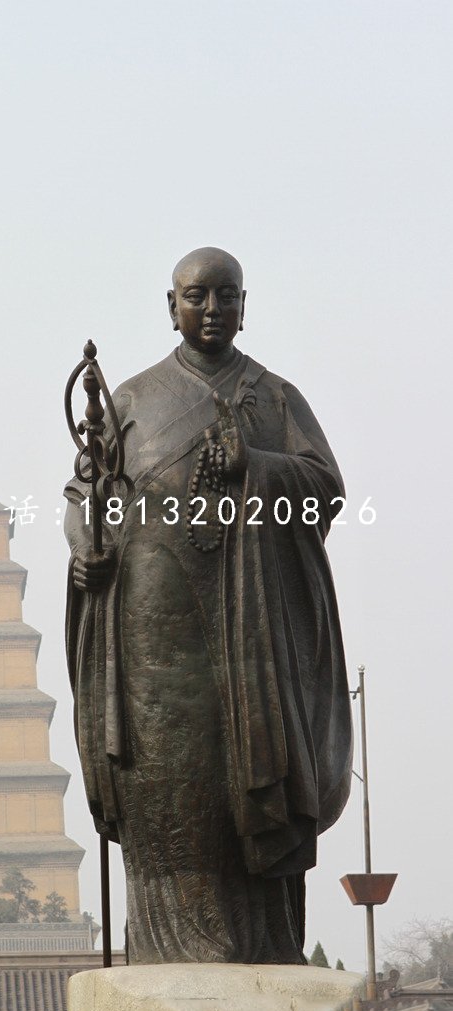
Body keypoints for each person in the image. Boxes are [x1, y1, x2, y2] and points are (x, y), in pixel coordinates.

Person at [64, 247, 352, 965]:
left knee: (252, 759)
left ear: (244, 306)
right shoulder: (131, 399)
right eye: (196, 296)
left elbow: (324, 485)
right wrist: (86, 547)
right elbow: (85, 494)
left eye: (227, 296)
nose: (213, 309)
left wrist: (257, 464)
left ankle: (259, 941)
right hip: (151, 615)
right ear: (172, 307)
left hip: (252, 617)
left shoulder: (274, 397)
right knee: (164, 767)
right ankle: (165, 944)